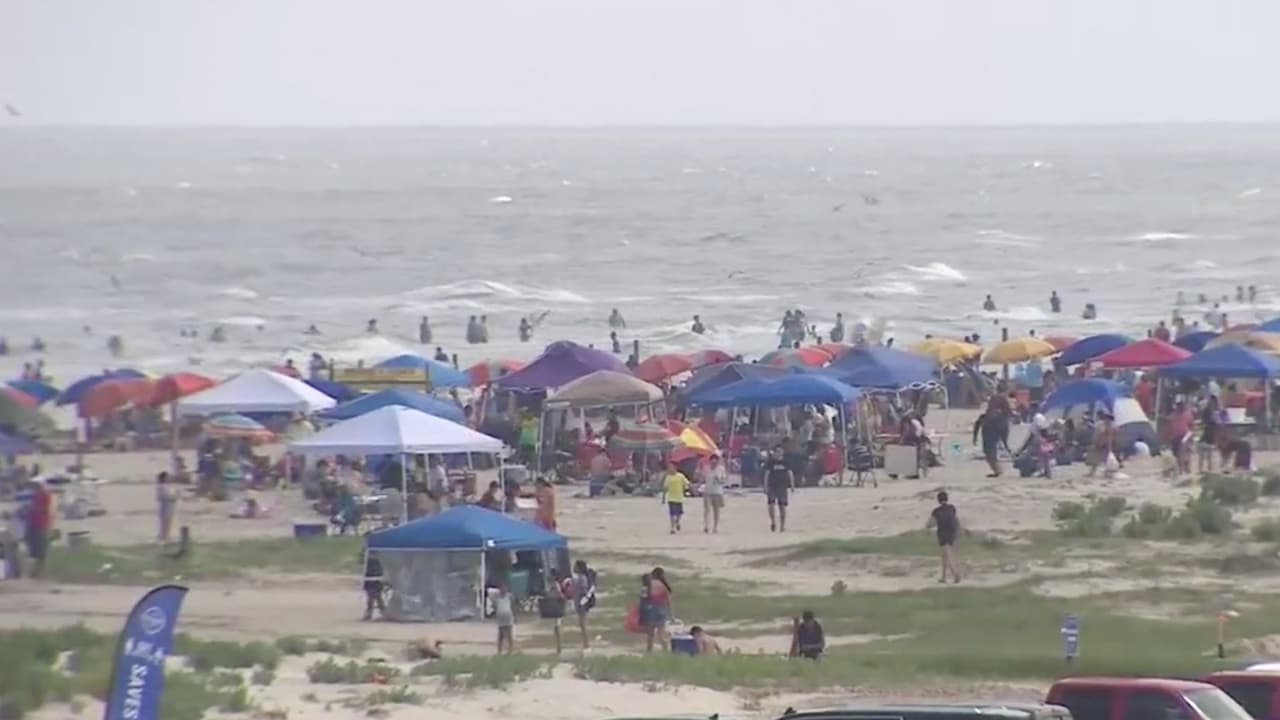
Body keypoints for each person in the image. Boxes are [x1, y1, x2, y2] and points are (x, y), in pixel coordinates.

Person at [926, 490, 962, 583]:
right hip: (952, 533)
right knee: (944, 555)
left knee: (948, 554)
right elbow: (956, 519)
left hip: (943, 534)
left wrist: (927, 528)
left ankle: (955, 574)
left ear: (938, 500)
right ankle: (943, 577)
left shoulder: (936, 511)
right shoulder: (952, 508)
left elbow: (930, 523)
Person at [23, 478, 52, 578]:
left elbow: (42, 509)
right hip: (33, 525)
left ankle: (38, 573)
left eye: (35, 485)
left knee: (41, 551)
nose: (34, 487)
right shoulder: (35, 496)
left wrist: (31, 509)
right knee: (33, 550)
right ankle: (34, 573)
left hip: (41, 525)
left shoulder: (44, 495)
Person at [642, 568, 673, 653]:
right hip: (661, 611)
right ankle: (666, 652)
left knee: (650, 635)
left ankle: (649, 653)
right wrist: (671, 615)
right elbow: (668, 602)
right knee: (662, 635)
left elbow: (643, 599)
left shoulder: (647, 584)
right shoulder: (663, 586)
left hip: (650, 610)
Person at [764, 445, 794, 532]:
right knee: (771, 505)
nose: (778, 454)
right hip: (772, 486)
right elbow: (767, 474)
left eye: (780, 452)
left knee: (782, 506)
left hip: (782, 487)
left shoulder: (786, 462)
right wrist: (765, 486)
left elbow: (790, 473)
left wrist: (792, 485)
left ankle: (782, 526)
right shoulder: (771, 463)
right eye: (777, 452)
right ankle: (773, 521)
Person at [571, 560, 597, 649]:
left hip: (582, 604)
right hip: (580, 604)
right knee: (582, 625)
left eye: (575, 566)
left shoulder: (582, 578)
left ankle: (587, 645)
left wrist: (581, 602)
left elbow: (584, 591)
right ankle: (585, 644)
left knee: (583, 625)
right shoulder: (580, 578)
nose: (573, 568)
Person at [701, 453, 727, 533]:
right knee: (707, 509)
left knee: (716, 510)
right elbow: (702, 478)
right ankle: (707, 526)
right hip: (707, 491)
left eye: (715, 462)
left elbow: (724, 481)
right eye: (712, 462)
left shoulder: (721, 469)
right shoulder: (706, 468)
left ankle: (715, 527)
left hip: (717, 492)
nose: (714, 464)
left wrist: (719, 480)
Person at [662, 464, 690, 534]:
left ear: (675, 469)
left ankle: (677, 522)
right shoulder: (668, 477)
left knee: (679, 513)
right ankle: (672, 528)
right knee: (672, 514)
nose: (670, 470)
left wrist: (686, 490)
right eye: (669, 469)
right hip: (671, 498)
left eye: (672, 468)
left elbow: (686, 484)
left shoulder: (680, 476)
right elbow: (665, 488)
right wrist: (663, 497)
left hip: (679, 498)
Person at [362, 547, 386, 621]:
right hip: (373, 582)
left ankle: (381, 613)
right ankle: (382, 613)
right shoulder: (372, 561)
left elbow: (376, 572)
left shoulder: (373, 561)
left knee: (374, 598)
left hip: (374, 582)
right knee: (376, 598)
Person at [492, 583, 515, 654]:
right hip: (500, 618)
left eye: (504, 588)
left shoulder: (509, 596)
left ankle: (510, 650)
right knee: (500, 635)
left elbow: (512, 605)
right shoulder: (497, 597)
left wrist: (514, 615)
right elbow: (494, 605)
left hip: (508, 617)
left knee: (509, 634)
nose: (503, 590)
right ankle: (499, 650)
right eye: (502, 588)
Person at [156, 471, 178, 543]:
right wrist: (174, 495)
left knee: (168, 523)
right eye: (167, 477)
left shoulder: (167, 486)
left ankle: (166, 538)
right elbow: (167, 496)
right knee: (164, 524)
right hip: (165, 506)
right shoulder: (161, 486)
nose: (169, 478)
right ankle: (163, 539)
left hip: (169, 506)